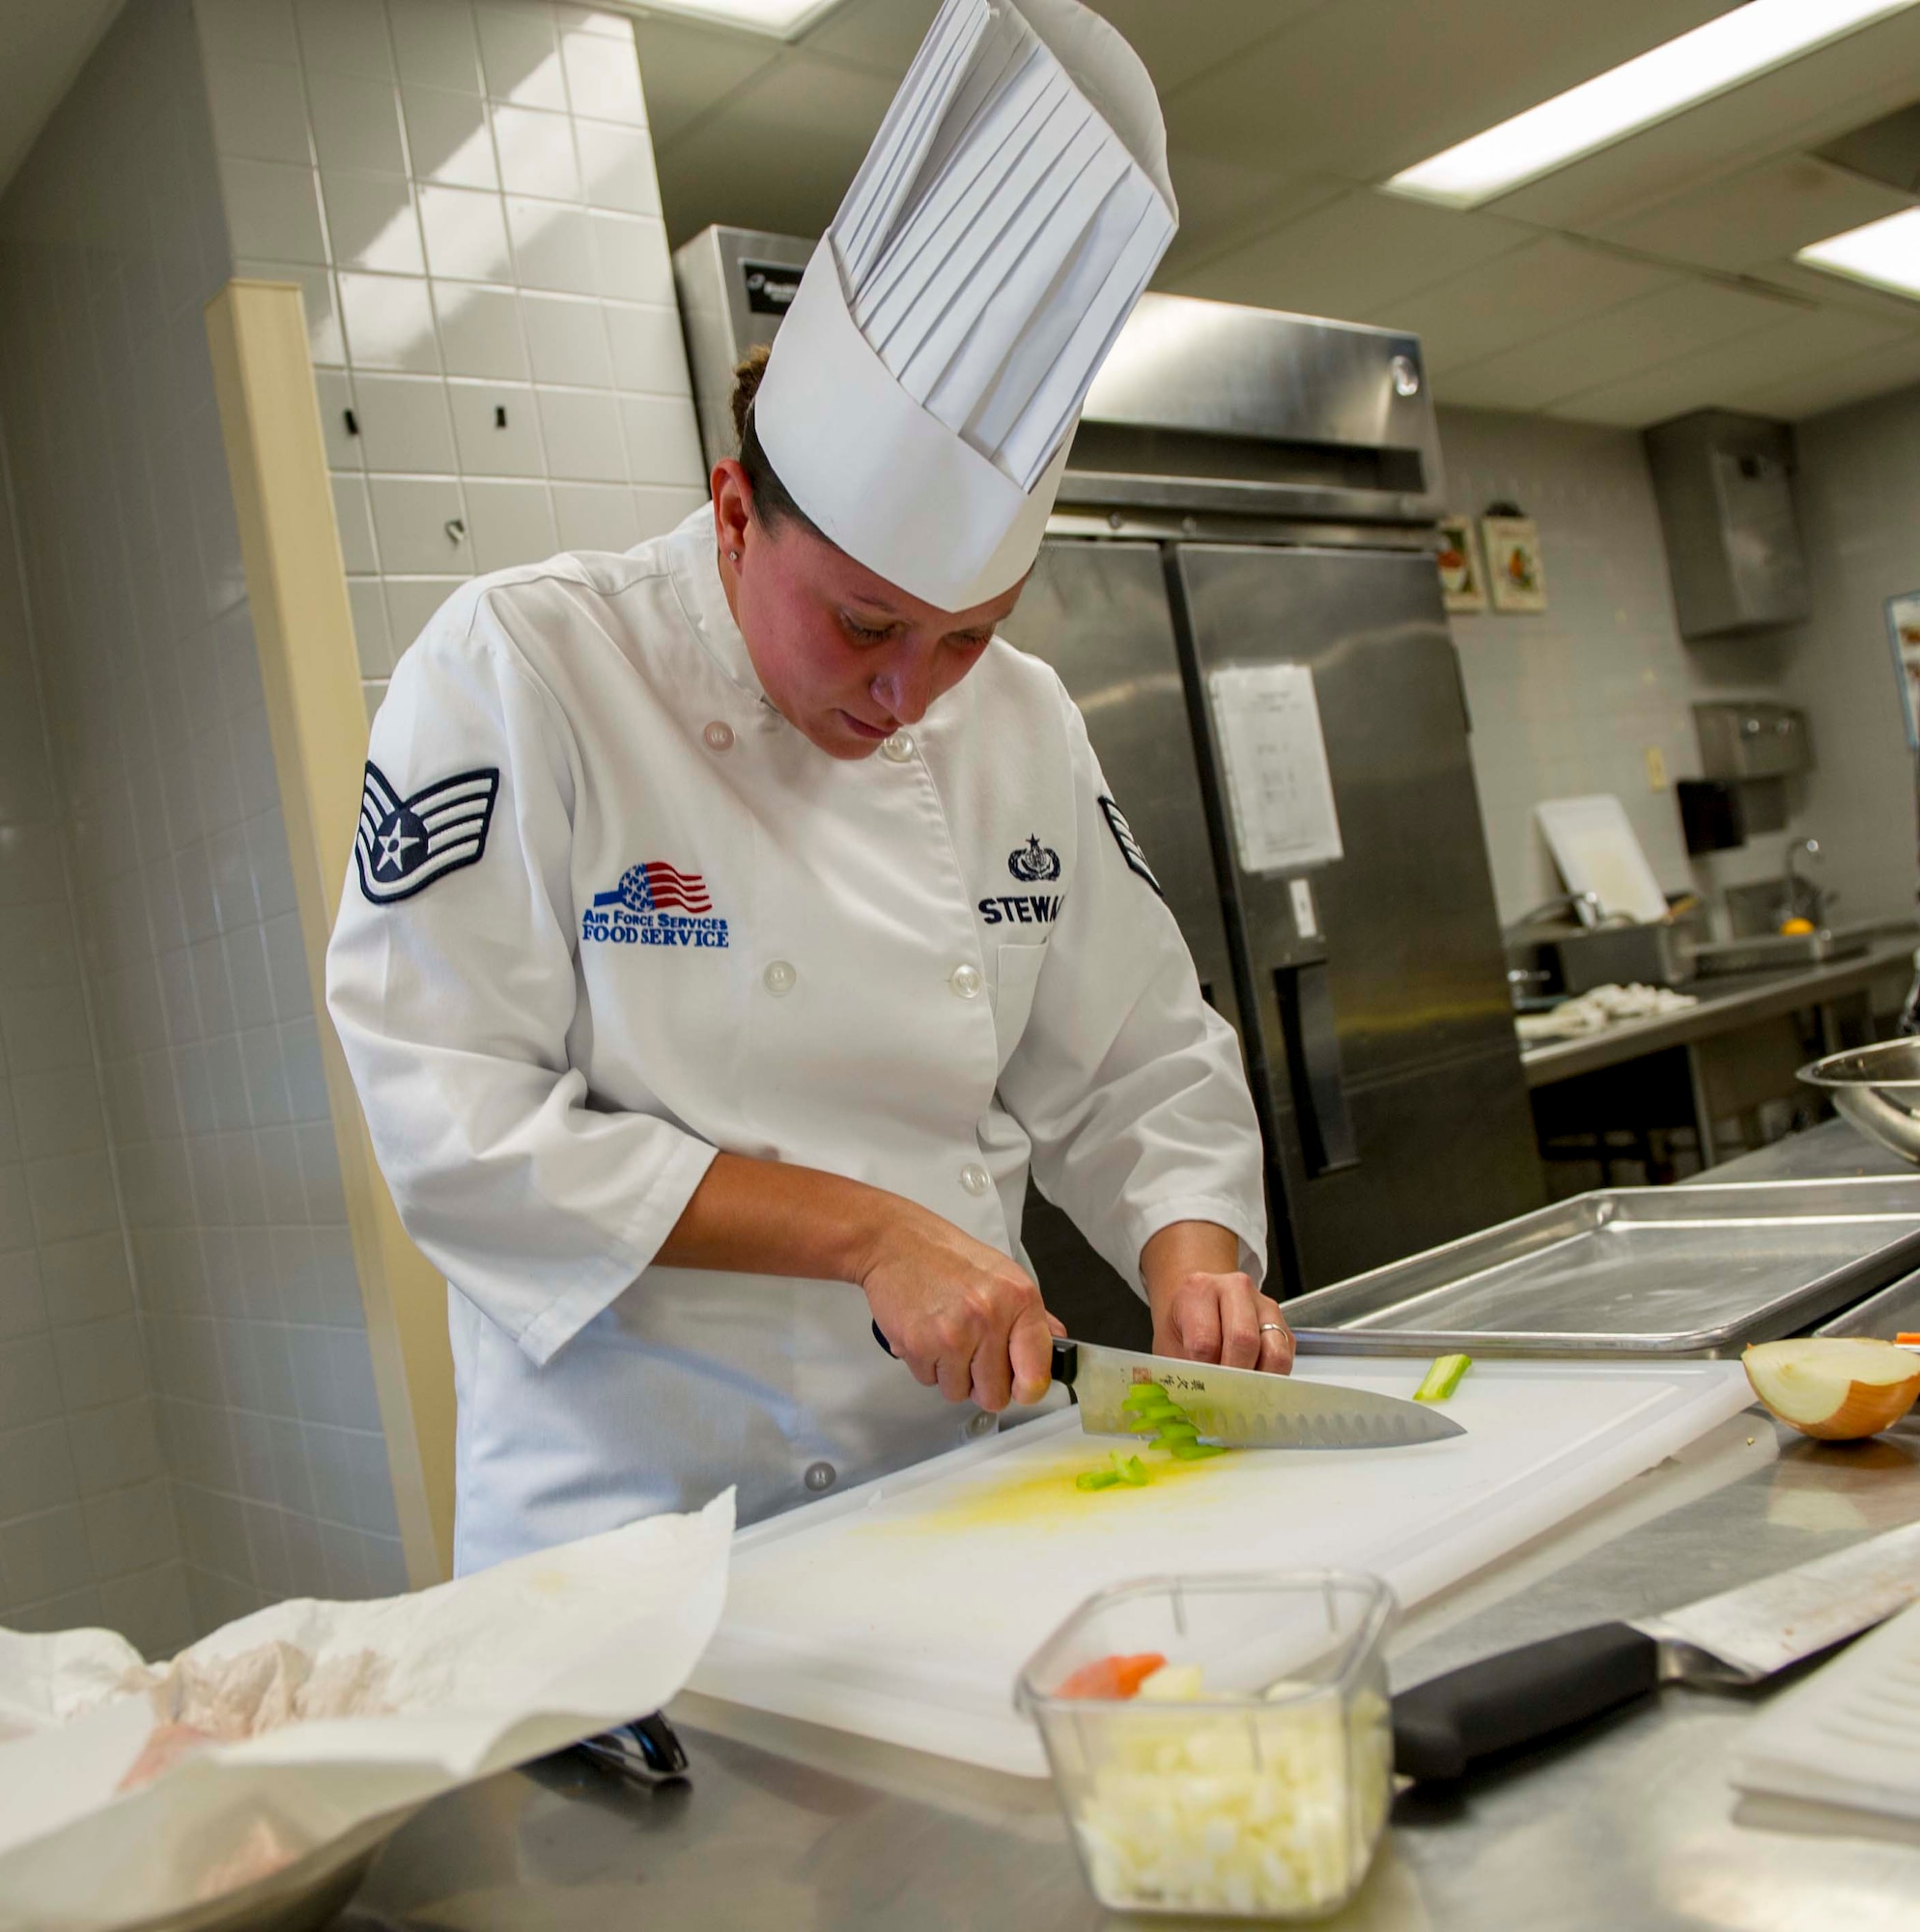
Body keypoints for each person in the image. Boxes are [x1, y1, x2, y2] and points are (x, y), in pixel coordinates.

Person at [325, 0, 1288, 1576]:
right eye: (863, 623)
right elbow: (457, 1121)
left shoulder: (1025, 727)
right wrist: (867, 1228)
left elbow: (1137, 1061)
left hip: (955, 1493)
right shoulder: (528, 668)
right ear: (730, 506)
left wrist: (1196, 1269)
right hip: (634, 1548)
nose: (910, 693)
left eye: (970, 636)